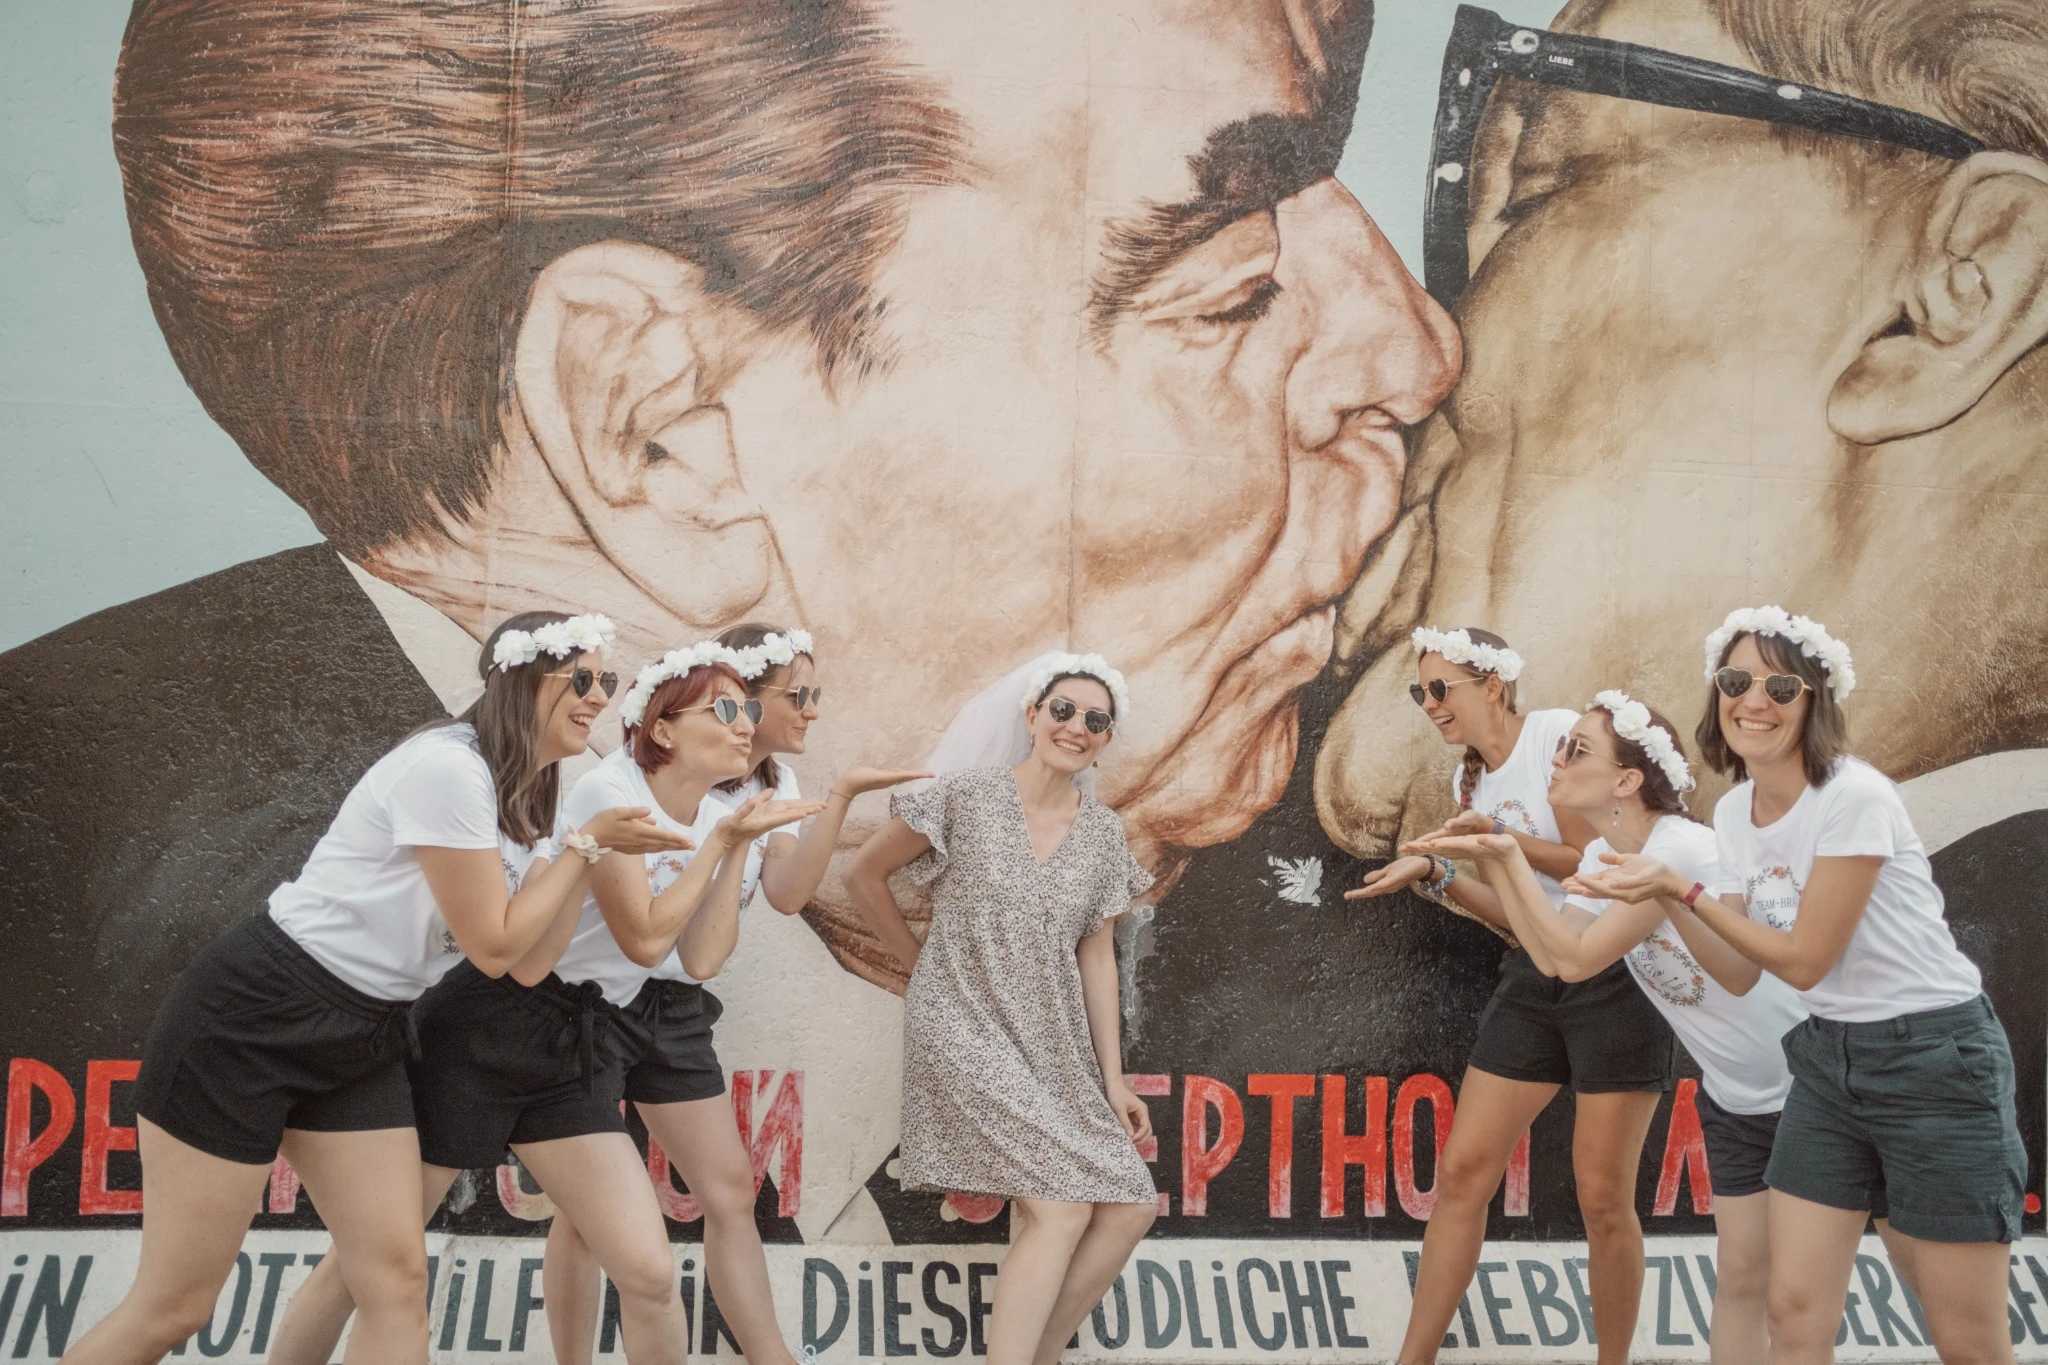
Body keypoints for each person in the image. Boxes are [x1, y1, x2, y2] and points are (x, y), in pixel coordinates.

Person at [59, 612, 685, 1365]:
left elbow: (526, 962)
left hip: (367, 1030)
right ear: (522, 683)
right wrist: (585, 847)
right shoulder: (450, 767)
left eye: (607, 681)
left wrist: (580, 856)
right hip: (257, 1012)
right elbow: (491, 946)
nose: (599, 697)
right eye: (582, 679)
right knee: (175, 1307)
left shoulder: (527, 792)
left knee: (395, 1280)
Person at [265, 639, 819, 1365]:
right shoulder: (608, 791)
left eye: (751, 707)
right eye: (727, 707)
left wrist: (736, 841)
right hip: (488, 1029)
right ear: (662, 727)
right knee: (367, 1263)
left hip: (581, 1043)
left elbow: (699, 958)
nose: (748, 721)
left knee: (651, 1273)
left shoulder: (728, 809)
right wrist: (720, 844)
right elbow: (645, 942)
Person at [1573, 608, 2025, 1365]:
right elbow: (1741, 969)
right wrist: (1662, 895)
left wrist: (1680, 892)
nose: (1756, 699)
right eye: (1736, 680)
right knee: (1791, 1308)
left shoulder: (1855, 795)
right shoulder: (1733, 813)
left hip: (1935, 1058)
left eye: (1781, 684)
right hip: (1823, 1061)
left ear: (1814, 699)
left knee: (1967, 1338)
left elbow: (1806, 958)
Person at [540, 626, 923, 1365]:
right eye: (797, 694)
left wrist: (832, 798)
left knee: (730, 1188)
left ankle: (769, 1354)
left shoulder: (754, 793)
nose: (810, 710)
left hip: (672, 1004)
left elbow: (779, 898)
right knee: (587, 1217)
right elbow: (644, 938)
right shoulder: (637, 786)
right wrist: (729, 839)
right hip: (584, 1005)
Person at [1409, 690, 1807, 1363]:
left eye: (1577, 748)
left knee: (1805, 1296)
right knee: (1747, 1281)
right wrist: (1491, 861)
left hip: (1811, 1086)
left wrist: (1505, 856)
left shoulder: (1675, 848)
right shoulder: (1599, 860)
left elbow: (1582, 956)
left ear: (1626, 781)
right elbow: (1552, 958)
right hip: (1739, 1096)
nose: (1558, 755)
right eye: (1562, 746)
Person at [1347, 627, 1671, 1365]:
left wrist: (1494, 836)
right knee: (1463, 1173)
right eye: (1419, 692)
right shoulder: (1472, 784)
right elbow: (1515, 908)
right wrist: (1434, 873)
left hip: (1615, 973)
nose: (1430, 704)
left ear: (1492, 685)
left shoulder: (1556, 736)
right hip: (1533, 975)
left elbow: (1597, 864)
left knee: (1601, 1197)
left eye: (1441, 688)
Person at [845, 653, 1157, 1364]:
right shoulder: (967, 796)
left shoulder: (1103, 833)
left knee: (1131, 1203)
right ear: (1032, 715)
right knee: (1060, 1208)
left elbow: (1098, 957)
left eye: (1096, 719)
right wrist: (919, 963)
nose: (1076, 726)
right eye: (1063, 709)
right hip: (961, 1023)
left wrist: (1112, 1078)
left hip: (1052, 1038)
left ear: (1106, 740)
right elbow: (864, 874)